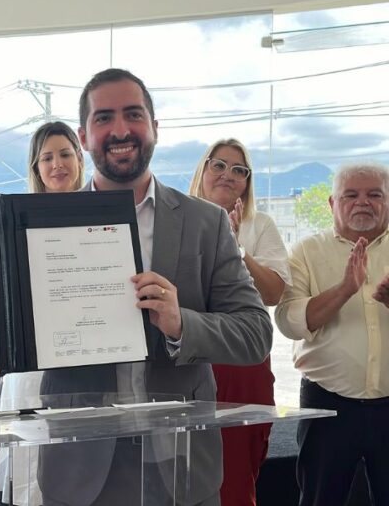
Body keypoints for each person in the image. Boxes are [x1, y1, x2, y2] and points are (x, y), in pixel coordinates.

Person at [38, 68, 273, 506]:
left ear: (155, 127)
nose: (121, 129)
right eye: (104, 117)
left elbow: (256, 334)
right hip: (80, 468)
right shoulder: (46, 226)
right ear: (84, 135)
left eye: (134, 114)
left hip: (181, 465)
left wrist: (182, 324)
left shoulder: (206, 223)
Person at [275, 162, 389, 506]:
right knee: (320, 499)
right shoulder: (307, 252)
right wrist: (344, 290)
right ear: (331, 203)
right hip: (327, 404)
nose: (363, 202)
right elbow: (289, 322)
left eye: (374, 194)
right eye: (351, 195)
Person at [189, 138, 290, 506]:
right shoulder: (176, 221)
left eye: (239, 170)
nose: (228, 175)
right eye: (219, 165)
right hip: (189, 359)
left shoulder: (259, 225)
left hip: (243, 362)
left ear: (247, 183)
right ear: (202, 170)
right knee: (182, 468)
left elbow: (275, 293)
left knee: (237, 476)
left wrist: (237, 249)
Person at [0, 121, 86, 505]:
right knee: (30, 472)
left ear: (80, 159)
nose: (57, 164)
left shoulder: (100, 214)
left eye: (65, 154)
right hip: (30, 365)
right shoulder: (17, 219)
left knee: (80, 468)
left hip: (83, 358)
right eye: (46, 157)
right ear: (35, 168)